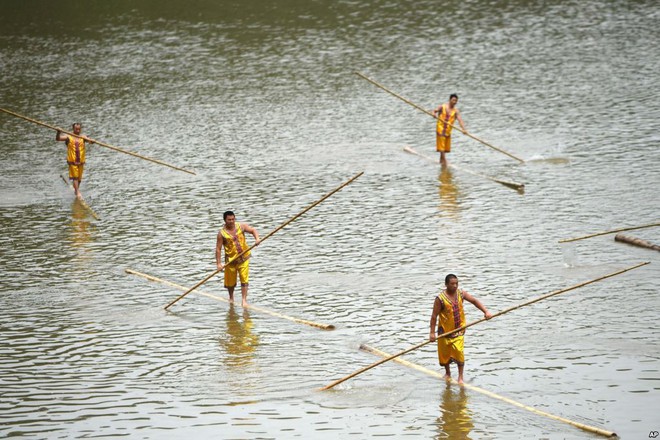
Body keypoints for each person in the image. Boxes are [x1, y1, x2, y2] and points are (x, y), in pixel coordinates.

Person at [429, 274, 492, 384]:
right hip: (444, 331)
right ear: (446, 285)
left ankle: (460, 377)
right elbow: (434, 316)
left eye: (456, 283)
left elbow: (474, 301)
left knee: (459, 352)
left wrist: (485, 311)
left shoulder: (461, 294)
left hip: (458, 330)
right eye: (452, 284)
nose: (455, 286)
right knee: (444, 354)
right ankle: (448, 373)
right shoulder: (440, 299)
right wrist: (432, 333)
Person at [215, 211, 260, 307]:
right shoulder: (221, 234)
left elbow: (253, 230)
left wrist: (257, 239)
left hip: (244, 258)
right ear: (225, 220)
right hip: (231, 261)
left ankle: (244, 300)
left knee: (244, 278)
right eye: (229, 220)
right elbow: (218, 249)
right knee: (230, 282)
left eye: (233, 219)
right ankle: (231, 297)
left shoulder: (241, 226)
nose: (231, 221)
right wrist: (218, 264)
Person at [56, 123, 94, 199]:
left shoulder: (82, 137)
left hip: (81, 161)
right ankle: (77, 192)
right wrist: (58, 132)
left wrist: (92, 141)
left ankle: (76, 190)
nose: (77, 130)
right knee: (75, 178)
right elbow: (58, 138)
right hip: (72, 161)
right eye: (76, 129)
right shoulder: (68, 137)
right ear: (73, 129)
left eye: (79, 129)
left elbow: (90, 141)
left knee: (79, 179)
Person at [432, 94, 467, 167]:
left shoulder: (456, 111)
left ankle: (441, 161)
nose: (454, 102)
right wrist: (434, 114)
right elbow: (434, 111)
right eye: (453, 100)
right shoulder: (442, 106)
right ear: (450, 100)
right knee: (441, 146)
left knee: (445, 148)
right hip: (440, 128)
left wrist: (464, 129)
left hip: (448, 131)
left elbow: (460, 120)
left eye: (456, 101)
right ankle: (444, 161)